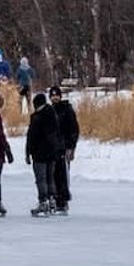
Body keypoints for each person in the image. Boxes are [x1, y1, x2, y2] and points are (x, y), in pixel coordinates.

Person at [25, 91, 63, 216]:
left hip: (39, 154)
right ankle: (52, 200)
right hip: (52, 152)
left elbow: (31, 136)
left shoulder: (37, 117)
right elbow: (57, 134)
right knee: (50, 178)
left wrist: (28, 152)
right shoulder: (53, 115)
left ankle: (43, 202)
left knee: (41, 179)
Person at [48, 85, 79, 214]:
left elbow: (74, 130)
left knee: (63, 175)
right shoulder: (49, 111)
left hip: (64, 147)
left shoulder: (67, 110)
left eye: (57, 95)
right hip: (52, 148)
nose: (55, 98)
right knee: (53, 175)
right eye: (52, 95)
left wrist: (71, 147)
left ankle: (63, 200)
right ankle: (54, 198)